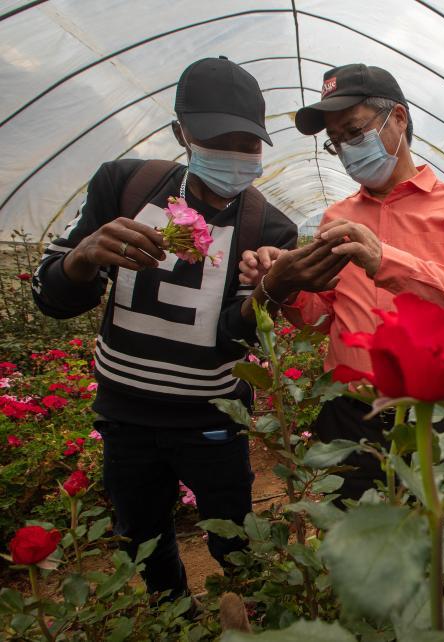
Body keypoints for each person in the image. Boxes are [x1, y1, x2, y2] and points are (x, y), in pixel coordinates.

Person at [30, 57, 313, 597]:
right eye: (217, 138)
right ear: (181, 132)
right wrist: (84, 257)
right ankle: (173, 615)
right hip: (125, 417)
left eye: (247, 144)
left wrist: (271, 290)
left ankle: (247, 613)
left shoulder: (269, 226)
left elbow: (238, 338)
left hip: (211, 420)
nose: (234, 155)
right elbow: (52, 298)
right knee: (143, 538)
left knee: (233, 537)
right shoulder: (125, 185)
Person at [240, 64, 444, 501]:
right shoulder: (337, 217)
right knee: (354, 532)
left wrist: (386, 260)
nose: (346, 149)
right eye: (336, 141)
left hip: (433, 410)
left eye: (354, 130)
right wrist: (286, 283)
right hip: (350, 411)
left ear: (397, 118)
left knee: (434, 540)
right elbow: (324, 315)